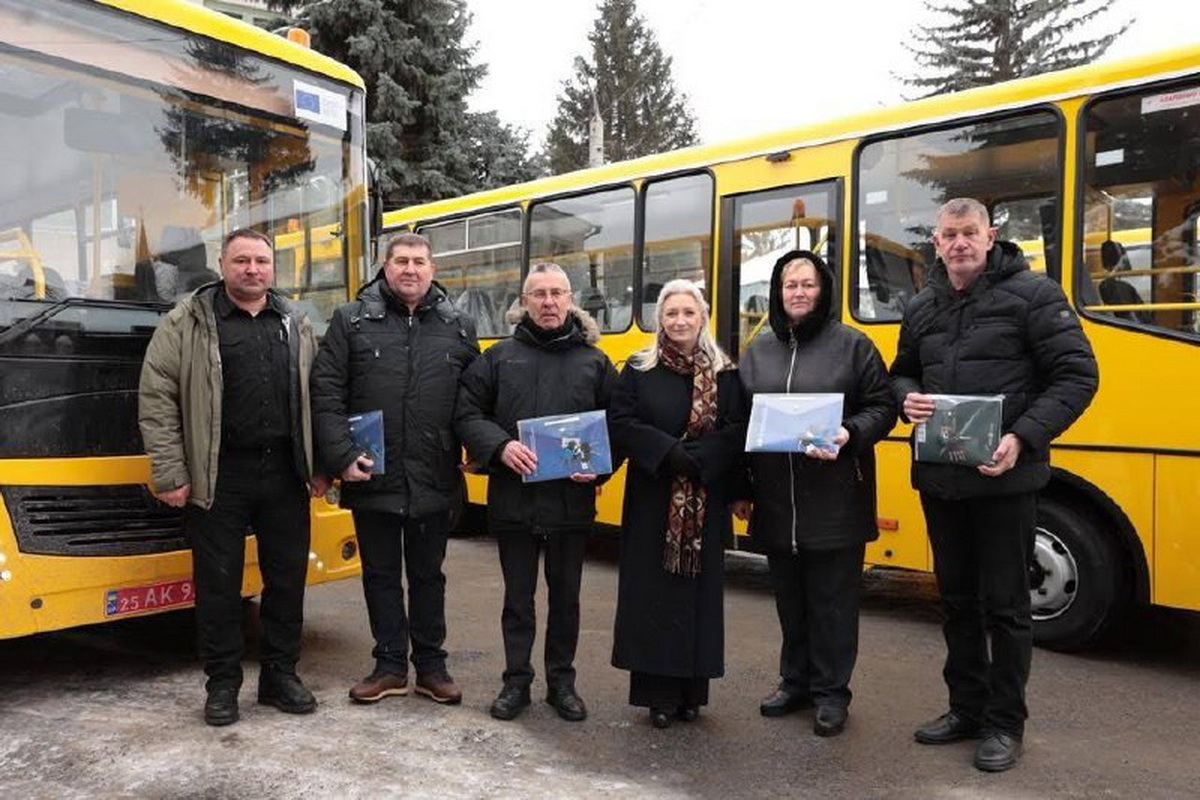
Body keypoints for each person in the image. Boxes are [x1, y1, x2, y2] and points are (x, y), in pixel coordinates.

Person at [891, 198, 1098, 772]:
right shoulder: (922, 305)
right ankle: (966, 708)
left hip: (1005, 480)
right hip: (941, 480)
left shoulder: (1035, 295)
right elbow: (902, 371)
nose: (959, 243)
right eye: (949, 235)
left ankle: (1005, 724)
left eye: (969, 233)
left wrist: (1023, 438)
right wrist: (906, 398)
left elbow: (1078, 375)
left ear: (991, 236)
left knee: (1006, 607)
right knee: (956, 602)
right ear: (937, 243)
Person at [138, 228, 328, 726]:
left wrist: (320, 465)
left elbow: (321, 396)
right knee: (219, 584)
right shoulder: (187, 321)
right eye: (241, 260)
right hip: (218, 473)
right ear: (222, 265)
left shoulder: (295, 322)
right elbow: (157, 397)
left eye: (261, 261)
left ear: (273, 267)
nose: (252, 269)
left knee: (287, 581)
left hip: (285, 472)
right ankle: (222, 684)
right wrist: (171, 471)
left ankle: (280, 676)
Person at [310, 232, 479, 707]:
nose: (410, 269)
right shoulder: (350, 321)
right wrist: (341, 456)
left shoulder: (459, 326)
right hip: (372, 474)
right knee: (380, 576)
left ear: (432, 269)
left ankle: (431, 667)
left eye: (419, 262)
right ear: (385, 267)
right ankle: (388, 666)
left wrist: (482, 448)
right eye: (401, 261)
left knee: (429, 576)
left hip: (434, 474)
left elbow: (477, 397)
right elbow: (326, 392)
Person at [735, 249, 896, 737]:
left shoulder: (853, 345)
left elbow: (883, 407)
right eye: (790, 285)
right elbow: (739, 423)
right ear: (778, 292)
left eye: (808, 284)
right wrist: (741, 487)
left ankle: (831, 693)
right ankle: (795, 682)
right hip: (776, 500)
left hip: (836, 498)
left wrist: (850, 433)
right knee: (790, 601)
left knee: (833, 603)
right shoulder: (758, 349)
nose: (799, 293)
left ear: (823, 289)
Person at [456, 262, 618, 722]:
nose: (549, 302)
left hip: (571, 503)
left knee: (566, 599)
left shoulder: (595, 362)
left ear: (570, 300)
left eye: (557, 293)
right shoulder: (498, 359)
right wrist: (500, 447)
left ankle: (562, 684)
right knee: (517, 600)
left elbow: (618, 425)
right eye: (539, 294)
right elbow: (467, 413)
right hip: (514, 501)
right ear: (524, 302)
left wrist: (599, 470)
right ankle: (516, 682)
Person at [608, 279, 745, 729]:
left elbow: (737, 429)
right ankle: (658, 696)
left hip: (706, 501)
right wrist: (669, 453)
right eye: (671, 313)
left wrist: (700, 459)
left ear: (702, 316)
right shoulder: (639, 369)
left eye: (688, 312)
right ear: (660, 320)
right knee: (653, 597)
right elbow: (621, 422)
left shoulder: (726, 373)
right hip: (653, 499)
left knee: (697, 599)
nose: (680, 321)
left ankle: (691, 693)